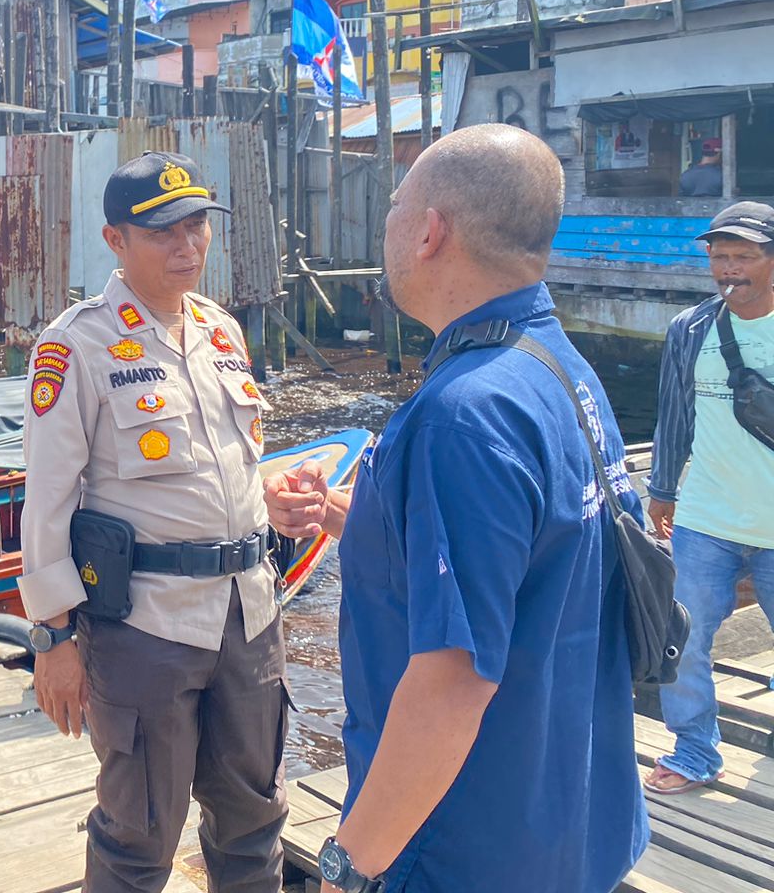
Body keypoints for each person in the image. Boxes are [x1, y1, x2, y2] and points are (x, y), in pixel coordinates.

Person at [265, 124, 648, 893]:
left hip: (465, 842)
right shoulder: (558, 371)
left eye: (396, 207)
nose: (392, 227)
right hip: (568, 815)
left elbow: (452, 680)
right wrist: (353, 516)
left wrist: (352, 861)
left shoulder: (461, 414)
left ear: (431, 230)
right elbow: (528, 555)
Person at [20, 151, 287, 893]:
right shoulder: (76, 344)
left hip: (249, 615)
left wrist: (275, 493)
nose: (187, 245)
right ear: (115, 240)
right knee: (139, 835)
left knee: (255, 821)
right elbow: (45, 502)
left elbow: (223, 467)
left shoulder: (221, 330)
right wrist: (53, 638)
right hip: (148, 628)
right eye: (164, 231)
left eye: (198, 225)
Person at [643, 200, 774, 794]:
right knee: (684, 638)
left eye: (743, 256)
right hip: (706, 519)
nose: (729, 269)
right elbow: (674, 418)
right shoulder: (690, 328)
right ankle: (695, 749)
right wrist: (662, 490)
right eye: (720, 257)